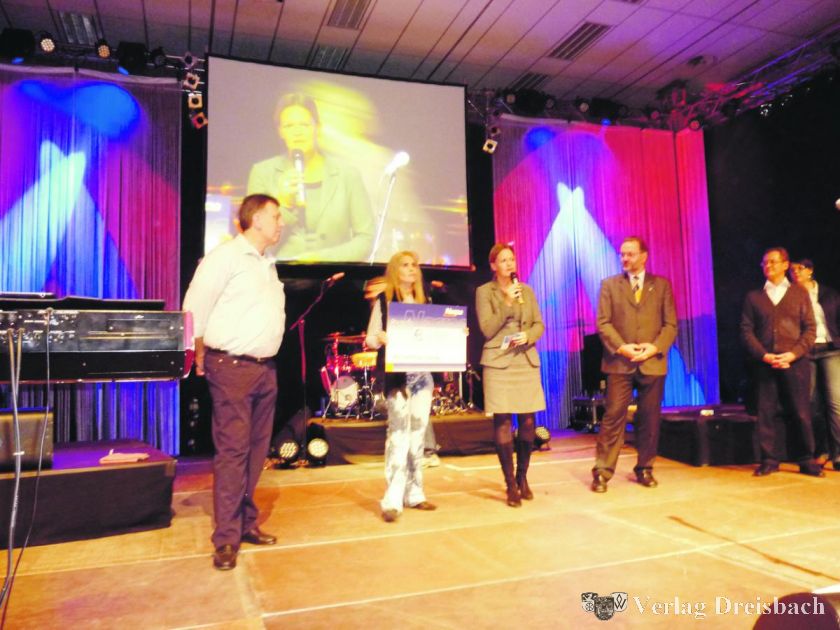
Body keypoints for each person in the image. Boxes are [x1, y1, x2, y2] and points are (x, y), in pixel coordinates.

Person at [183, 194, 286, 570]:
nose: (281, 223)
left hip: (264, 369)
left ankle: (244, 522)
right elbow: (193, 308)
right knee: (233, 452)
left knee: (257, 453)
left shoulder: (266, 264)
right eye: (276, 216)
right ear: (256, 219)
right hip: (231, 367)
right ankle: (226, 538)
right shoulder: (225, 257)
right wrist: (198, 356)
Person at [591, 236, 677, 493]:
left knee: (650, 418)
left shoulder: (661, 286)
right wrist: (622, 347)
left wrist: (654, 347)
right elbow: (603, 323)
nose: (624, 258)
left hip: (652, 362)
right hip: (620, 362)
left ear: (644, 256)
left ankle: (645, 467)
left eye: (630, 254)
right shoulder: (609, 285)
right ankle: (602, 471)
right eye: (622, 254)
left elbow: (670, 325)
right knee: (613, 416)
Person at [247, 93, 374, 262]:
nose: (297, 132)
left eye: (304, 124)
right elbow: (254, 241)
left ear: (317, 128)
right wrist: (283, 204)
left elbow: (366, 239)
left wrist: (322, 259)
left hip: (334, 273)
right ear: (280, 131)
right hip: (278, 274)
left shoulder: (347, 174)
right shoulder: (262, 173)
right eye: (289, 126)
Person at [365, 251, 437, 522]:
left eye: (414, 265)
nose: (411, 269)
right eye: (405, 265)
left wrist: (453, 334)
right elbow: (370, 339)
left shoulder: (426, 301)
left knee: (418, 435)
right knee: (398, 436)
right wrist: (380, 338)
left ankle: (415, 493)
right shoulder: (384, 301)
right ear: (395, 270)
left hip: (423, 377)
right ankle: (392, 499)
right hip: (397, 377)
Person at [741, 247, 822, 477]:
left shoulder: (799, 293)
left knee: (800, 412)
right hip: (764, 364)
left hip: (795, 363)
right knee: (766, 412)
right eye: (765, 263)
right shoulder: (754, 297)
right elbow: (746, 331)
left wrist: (793, 354)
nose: (768, 266)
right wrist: (764, 355)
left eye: (773, 262)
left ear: (785, 265)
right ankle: (769, 459)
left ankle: (805, 458)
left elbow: (810, 329)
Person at [476, 243, 546, 507]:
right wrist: (506, 301)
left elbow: (539, 323)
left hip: (524, 358)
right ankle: (510, 485)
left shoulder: (526, 290)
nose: (509, 264)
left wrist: (528, 335)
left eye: (511, 259)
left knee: (528, 422)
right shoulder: (485, 292)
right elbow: (487, 329)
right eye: (503, 260)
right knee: (503, 421)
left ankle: (522, 477)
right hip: (498, 361)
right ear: (493, 265)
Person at [791, 258, 840, 471]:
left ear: (810, 270)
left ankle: (838, 453)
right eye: (792, 270)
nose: (795, 273)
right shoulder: (791, 296)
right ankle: (822, 450)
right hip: (806, 351)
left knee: (835, 402)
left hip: (831, 349)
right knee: (811, 403)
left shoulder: (829, 294)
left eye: (799, 269)